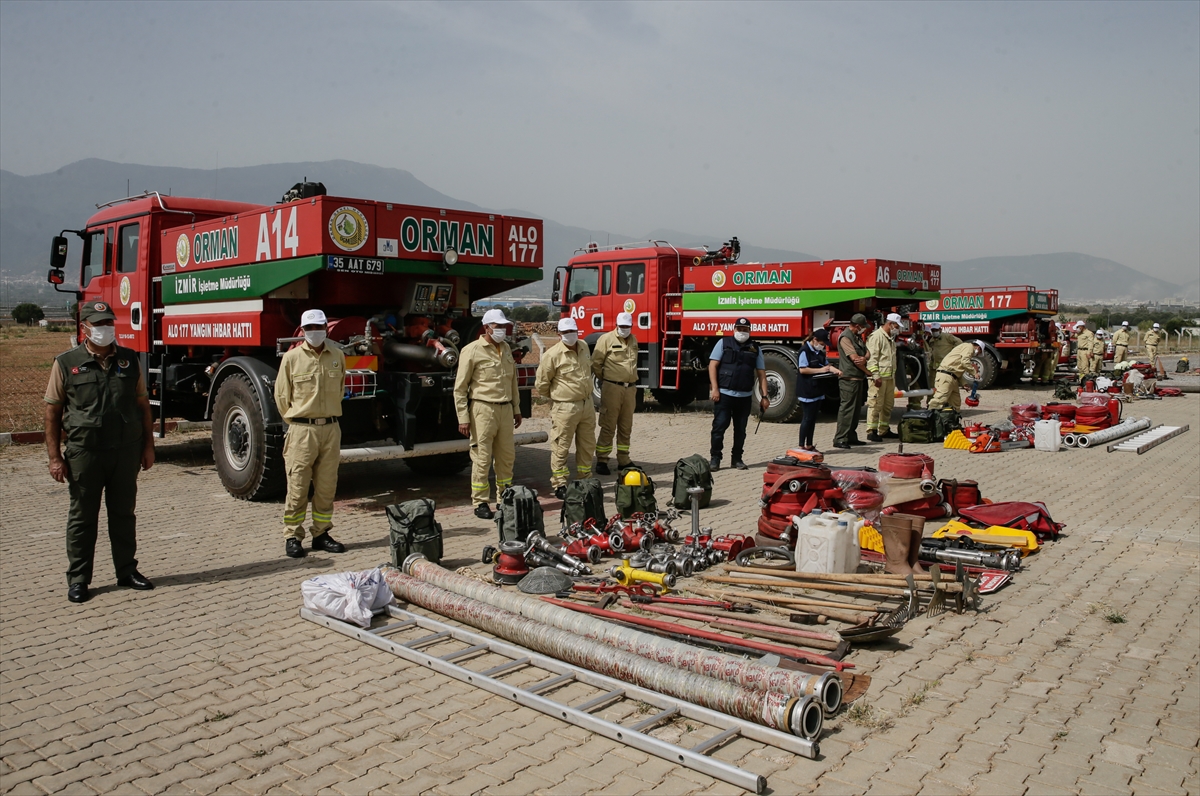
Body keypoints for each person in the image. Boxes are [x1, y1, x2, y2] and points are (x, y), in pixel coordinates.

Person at [44, 300, 156, 603]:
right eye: (98, 324)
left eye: (108, 323)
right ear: (85, 328)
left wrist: (148, 446)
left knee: (123, 514)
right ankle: (79, 579)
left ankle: (127, 571)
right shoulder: (66, 363)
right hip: (85, 453)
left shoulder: (129, 360)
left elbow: (142, 406)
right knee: (82, 518)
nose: (105, 329)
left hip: (125, 452)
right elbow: (53, 413)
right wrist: (55, 457)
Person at [276, 308, 347, 559]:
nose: (315, 332)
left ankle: (321, 534)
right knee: (298, 486)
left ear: (326, 328)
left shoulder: (337, 356)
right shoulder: (292, 358)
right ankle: (293, 536)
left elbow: (340, 390)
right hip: (302, 430)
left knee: (327, 487)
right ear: (303, 331)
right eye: (310, 329)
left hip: (330, 429)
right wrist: (298, 421)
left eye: (319, 327)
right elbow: (282, 397)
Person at [455, 308, 522, 519]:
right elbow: (460, 387)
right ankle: (481, 502)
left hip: (505, 409)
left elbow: (513, 382)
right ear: (486, 328)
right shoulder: (472, 350)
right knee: (482, 458)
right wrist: (463, 417)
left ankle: (505, 498)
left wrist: (517, 409)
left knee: (506, 457)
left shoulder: (506, 349)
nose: (502, 330)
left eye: (503, 326)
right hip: (482, 409)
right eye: (498, 326)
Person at [536, 317, 596, 498]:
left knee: (587, 445)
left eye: (573, 331)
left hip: (587, 405)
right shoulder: (553, 355)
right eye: (566, 333)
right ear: (559, 334)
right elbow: (542, 384)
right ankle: (560, 483)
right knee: (561, 445)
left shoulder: (584, 346)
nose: (571, 335)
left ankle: (584, 480)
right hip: (565, 407)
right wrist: (557, 399)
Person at [708, 318, 768, 471]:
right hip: (724, 395)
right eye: (739, 329)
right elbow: (712, 366)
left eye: (745, 329)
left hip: (744, 396)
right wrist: (715, 388)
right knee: (719, 427)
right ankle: (715, 458)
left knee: (740, 429)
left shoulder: (755, 348)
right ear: (734, 329)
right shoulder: (723, 343)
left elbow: (761, 374)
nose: (742, 332)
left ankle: (737, 459)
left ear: (750, 331)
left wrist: (765, 396)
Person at [592, 312, 639, 475]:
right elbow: (596, 363)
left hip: (630, 389)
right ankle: (602, 460)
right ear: (616, 325)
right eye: (622, 327)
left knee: (626, 426)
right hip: (612, 388)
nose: (624, 329)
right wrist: (606, 380)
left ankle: (624, 460)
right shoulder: (606, 339)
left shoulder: (633, 340)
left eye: (627, 327)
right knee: (608, 425)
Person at [796, 328, 840, 451]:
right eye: (822, 343)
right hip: (807, 389)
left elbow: (826, 365)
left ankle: (809, 444)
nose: (823, 346)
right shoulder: (804, 351)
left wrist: (835, 370)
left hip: (818, 390)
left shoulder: (819, 352)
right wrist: (820, 370)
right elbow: (803, 369)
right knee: (807, 418)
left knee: (813, 419)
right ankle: (801, 445)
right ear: (815, 340)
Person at [832, 314, 871, 449]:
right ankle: (840, 438)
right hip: (849, 379)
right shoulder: (845, 337)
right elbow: (855, 359)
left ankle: (851, 436)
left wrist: (865, 358)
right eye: (863, 327)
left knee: (855, 410)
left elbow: (867, 353)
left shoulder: (857, 337)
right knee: (847, 409)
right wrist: (867, 371)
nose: (864, 330)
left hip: (858, 379)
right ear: (857, 326)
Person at [865, 313, 902, 442]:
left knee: (888, 405)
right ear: (890, 324)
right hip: (879, 378)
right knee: (875, 404)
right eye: (896, 326)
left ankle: (884, 430)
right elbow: (872, 358)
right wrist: (875, 375)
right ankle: (872, 431)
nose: (897, 328)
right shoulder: (877, 337)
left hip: (889, 378)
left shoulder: (890, 337)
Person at [929, 342, 979, 411]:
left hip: (952, 378)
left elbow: (957, 370)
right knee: (939, 400)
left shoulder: (963, 351)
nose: (975, 355)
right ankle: (929, 418)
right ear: (978, 348)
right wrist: (974, 373)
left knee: (955, 403)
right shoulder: (969, 347)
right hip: (946, 376)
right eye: (979, 353)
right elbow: (965, 362)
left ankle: (953, 420)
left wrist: (964, 384)